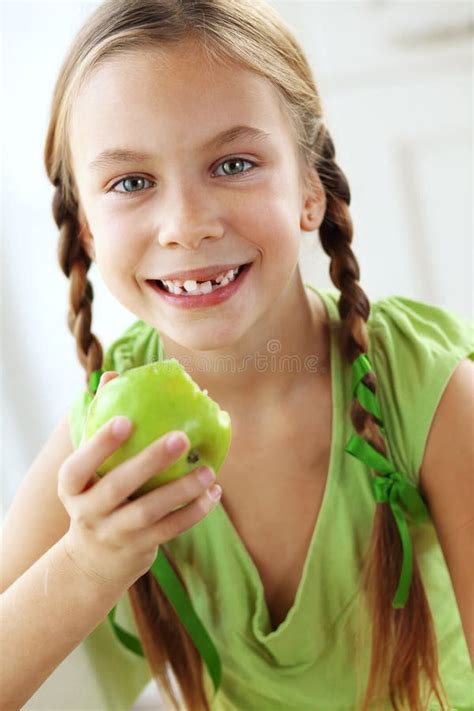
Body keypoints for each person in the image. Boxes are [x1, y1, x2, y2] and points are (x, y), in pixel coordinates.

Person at [1, 1, 473, 709]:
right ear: (88, 227)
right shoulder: (109, 433)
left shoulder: (431, 394)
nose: (187, 225)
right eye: (132, 182)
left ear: (309, 190)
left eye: (233, 163)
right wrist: (87, 564)